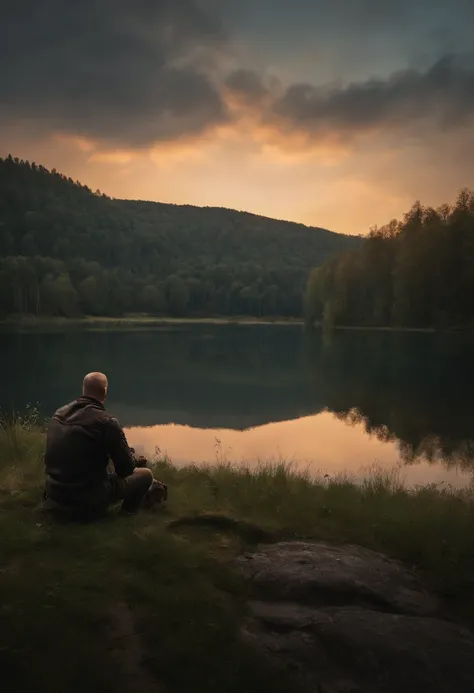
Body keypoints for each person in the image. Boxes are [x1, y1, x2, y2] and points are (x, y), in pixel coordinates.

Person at [42, 372, 167, 520]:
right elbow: (125, 470)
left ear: (83, 389)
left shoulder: (59, 414)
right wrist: (133, 460)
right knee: (146, 474)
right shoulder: (107, 422)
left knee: (104, 467)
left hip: (54, 495)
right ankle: (128, 514)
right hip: (88, 501)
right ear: (105, 392)